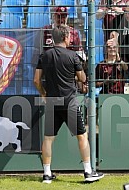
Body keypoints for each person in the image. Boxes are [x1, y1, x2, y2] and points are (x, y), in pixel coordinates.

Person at [34, 25, 104, 184]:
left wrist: (44, 94)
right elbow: (83, 79)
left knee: (48, 139)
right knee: (81, 136)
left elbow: (36, 80)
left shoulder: (44, 56)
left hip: (52, 101)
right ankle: (87, 172)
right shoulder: (73, 56)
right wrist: (81, 70)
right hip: (70, 101)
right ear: (66, 37)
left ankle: (46, 174)